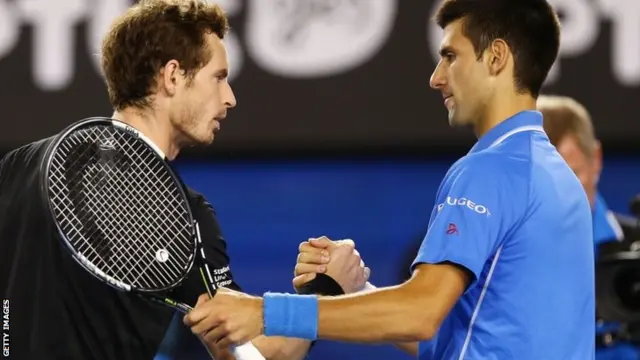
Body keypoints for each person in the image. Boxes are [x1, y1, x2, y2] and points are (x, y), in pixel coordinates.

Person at [181, 0, 597, 358]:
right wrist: (355, 290)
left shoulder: (489, 169)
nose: (436, 77)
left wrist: (262, 311)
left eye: (451, 56)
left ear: (497, 57)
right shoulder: (557, 177)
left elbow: (419, 314)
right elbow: (458, 337)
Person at [0, 1, 367, 359]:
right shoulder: (179, 217)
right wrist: (326, 289)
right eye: (219, 78)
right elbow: (257, 357)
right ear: (173, 76)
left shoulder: (19, 165)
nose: (230, 98)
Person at [536, 95, 639, 359]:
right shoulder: (486, 258)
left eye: (572, 173)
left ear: (596, 159)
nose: (559, 193)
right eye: (541, 178)